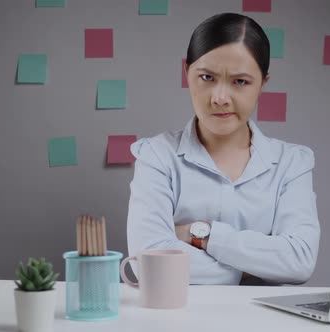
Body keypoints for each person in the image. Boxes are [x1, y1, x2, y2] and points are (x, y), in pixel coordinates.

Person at [126, 13, 320, 285]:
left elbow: (299, 260)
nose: (220, 98)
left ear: (263, 83)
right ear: (187, 73)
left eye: (240, 82)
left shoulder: (292, 163)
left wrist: (201, 235)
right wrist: (254, 267)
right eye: (207, 77)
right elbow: (148, 264)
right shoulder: (157, 156)